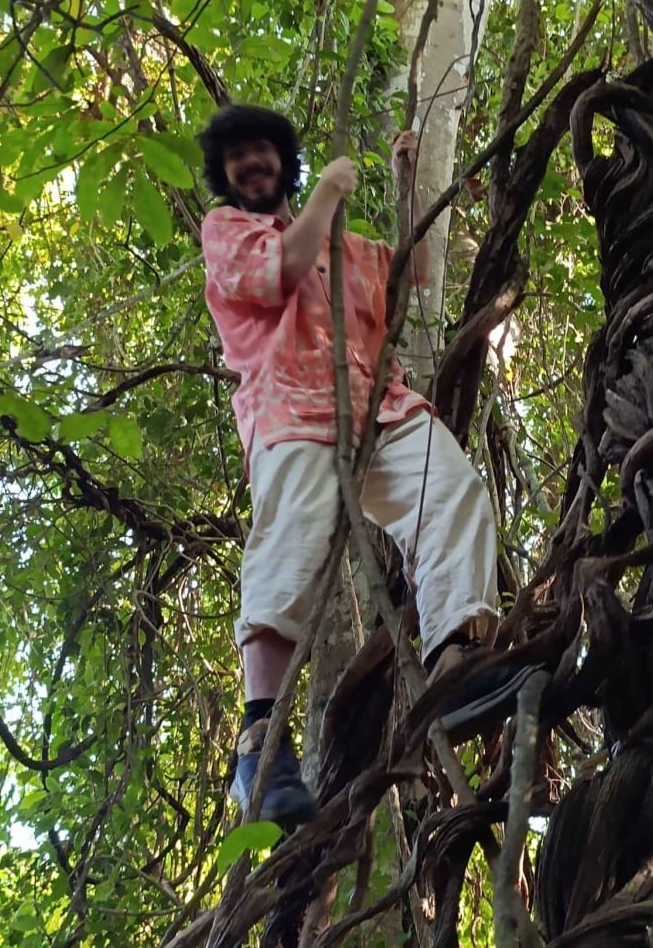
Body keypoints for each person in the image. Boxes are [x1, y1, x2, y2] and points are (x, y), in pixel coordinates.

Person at [197, 104, 532, 827]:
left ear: (282, 162)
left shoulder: (344, 244)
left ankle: (453, 666)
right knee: (289, 545)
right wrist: (330, 189)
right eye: (236, 157)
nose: (250, 164)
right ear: (224, 175)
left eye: (262, 151)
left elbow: (415, 273)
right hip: (294, 406)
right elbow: (277, 274)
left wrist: (408, 186)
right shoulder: (227, 230)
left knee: (451, 491)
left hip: (381, 405)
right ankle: (260, 745)